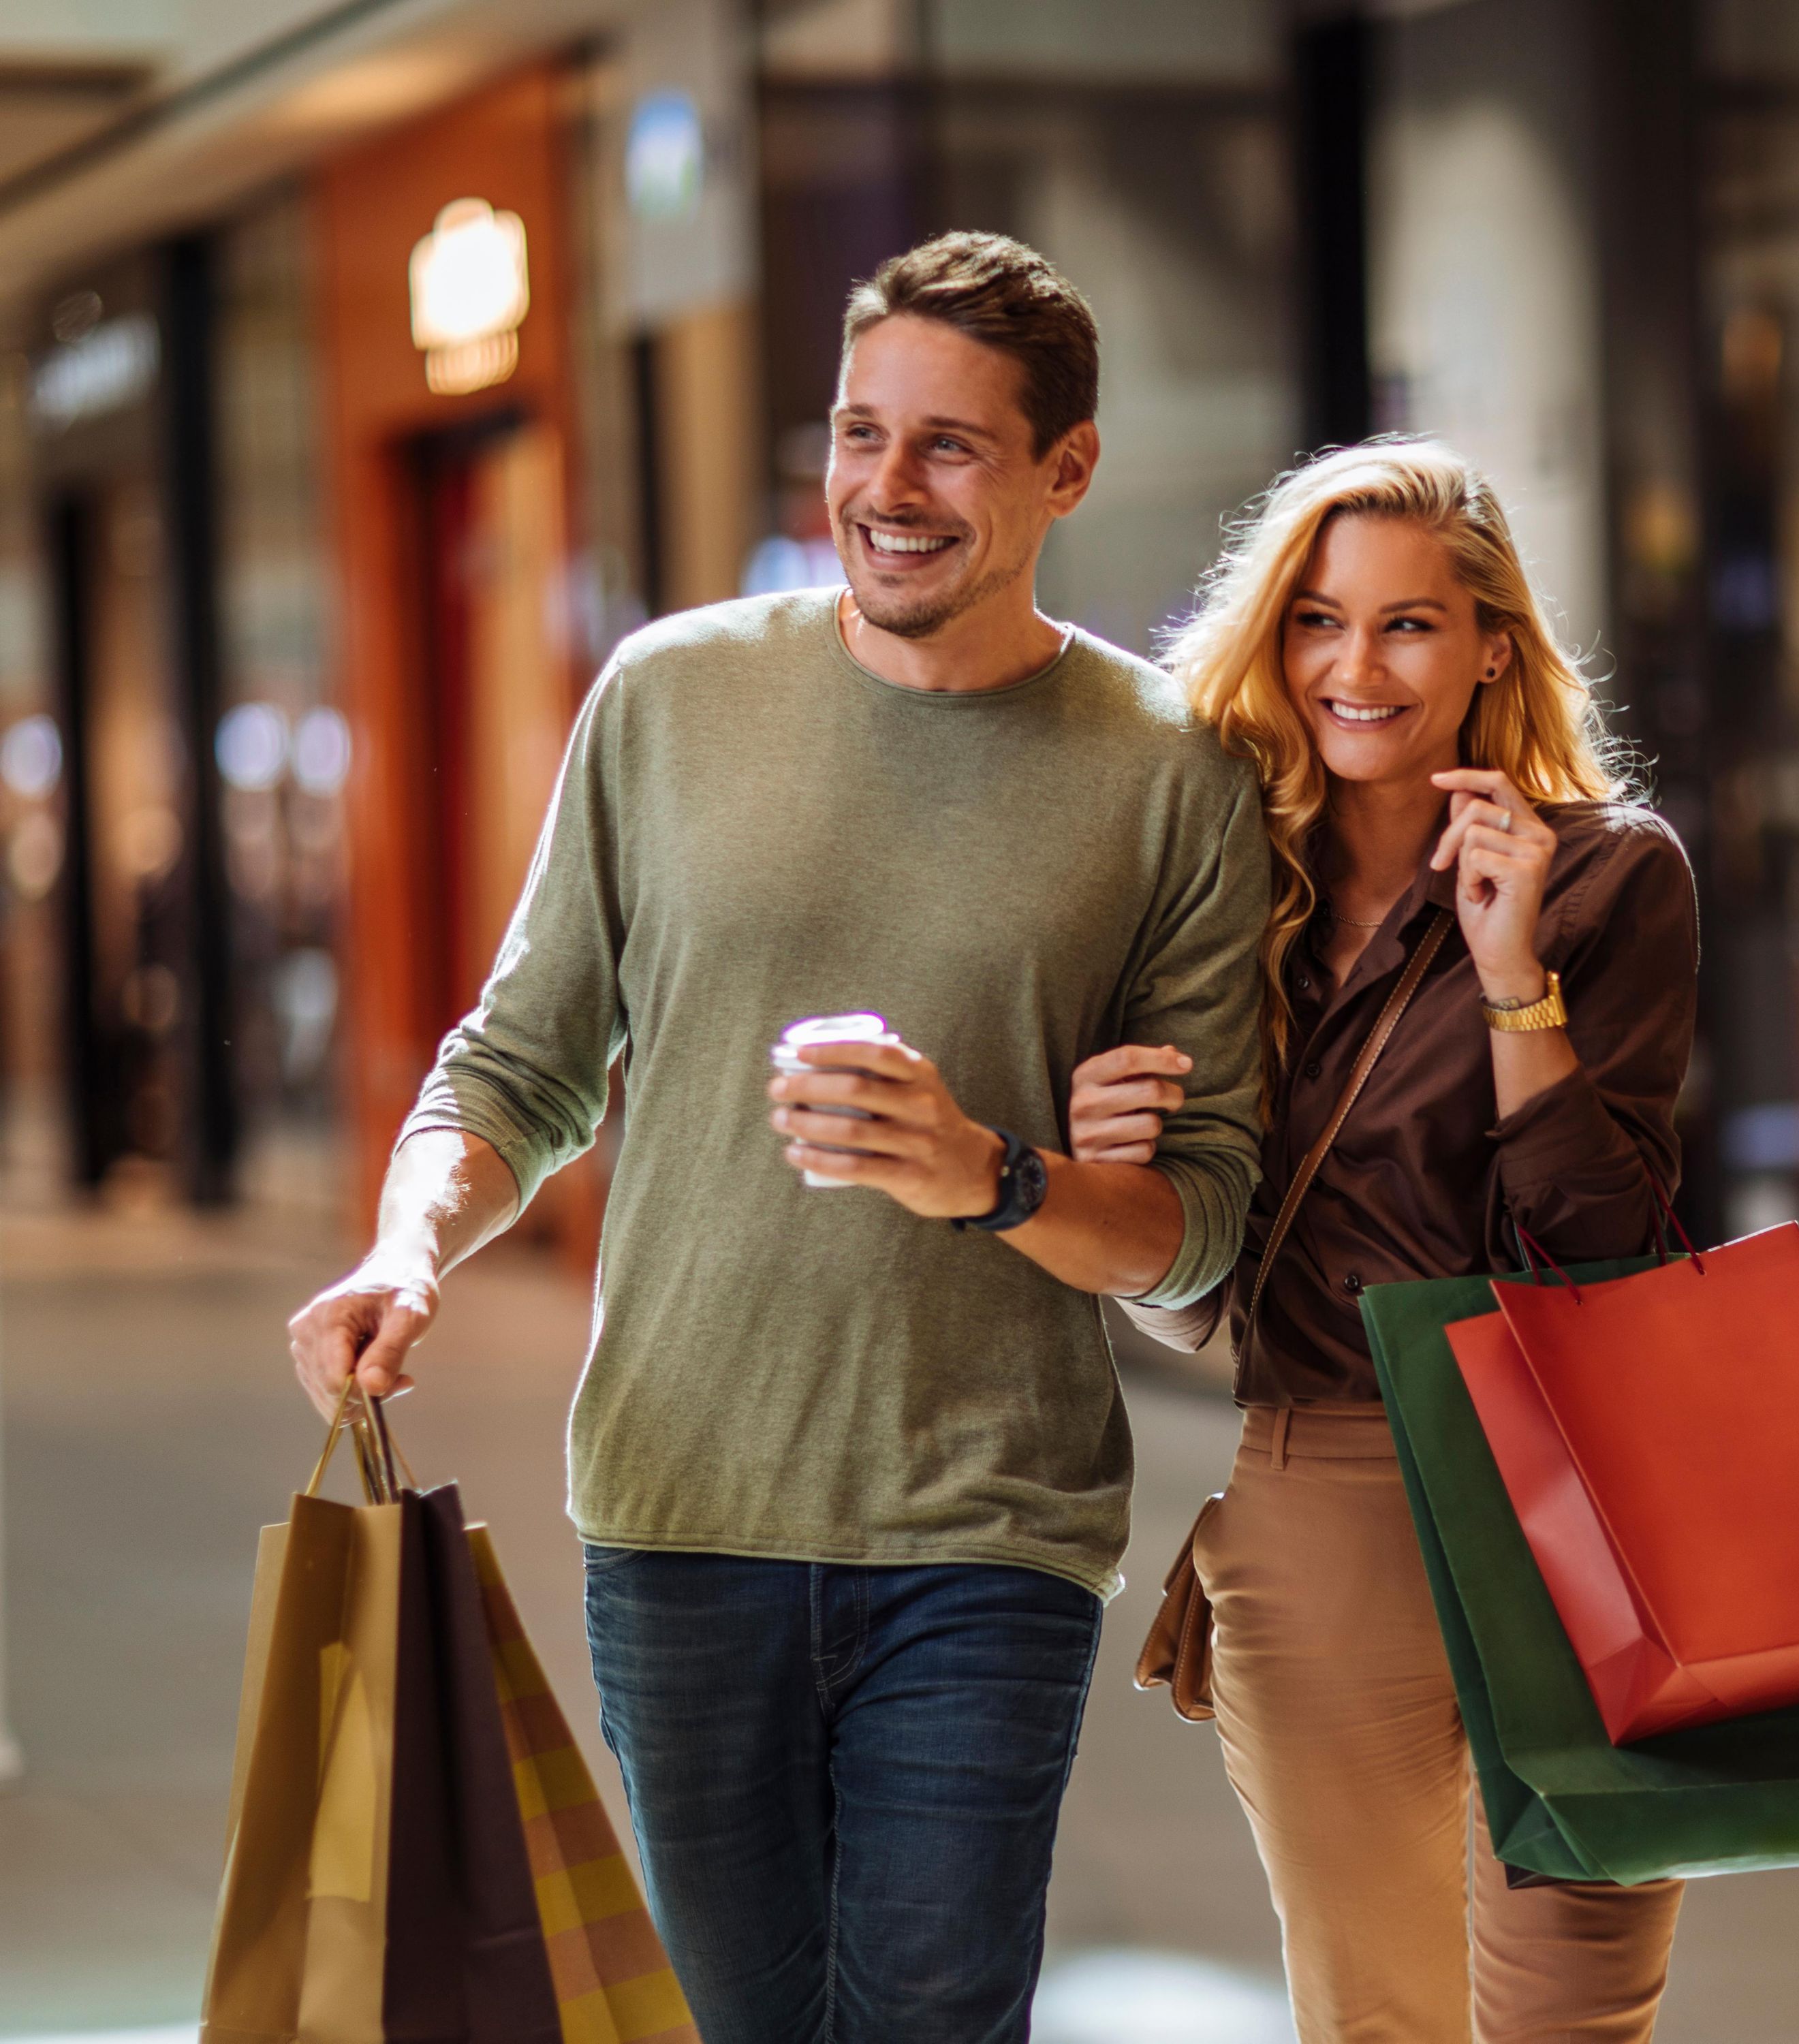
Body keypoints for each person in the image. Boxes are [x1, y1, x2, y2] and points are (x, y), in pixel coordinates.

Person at [285, 232, 1268, 2044]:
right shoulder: (667, 700)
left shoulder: (1168, 771)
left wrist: (992, 1173)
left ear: (1067, 468)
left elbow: (1194, 1234)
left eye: (950, 445)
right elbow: (517, 1066)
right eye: (859, 431)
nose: (886, 488)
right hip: (682, 1509)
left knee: (929, 2014)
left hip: (990, 1523)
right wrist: (405, 1248)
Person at [1070, 440, 1699, 2044]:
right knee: (1377, 2022)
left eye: (1407, 623)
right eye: (1317, 620)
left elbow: (1604, 1245)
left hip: (1583, 1494)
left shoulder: (1607, 875)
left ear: (1490, 644)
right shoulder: (1220, 904)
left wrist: (1510, 984)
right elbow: (1193, 1300)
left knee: (1573, 2022)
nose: (1354, 666)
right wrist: (1116, 1177)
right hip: (1327, 1495)